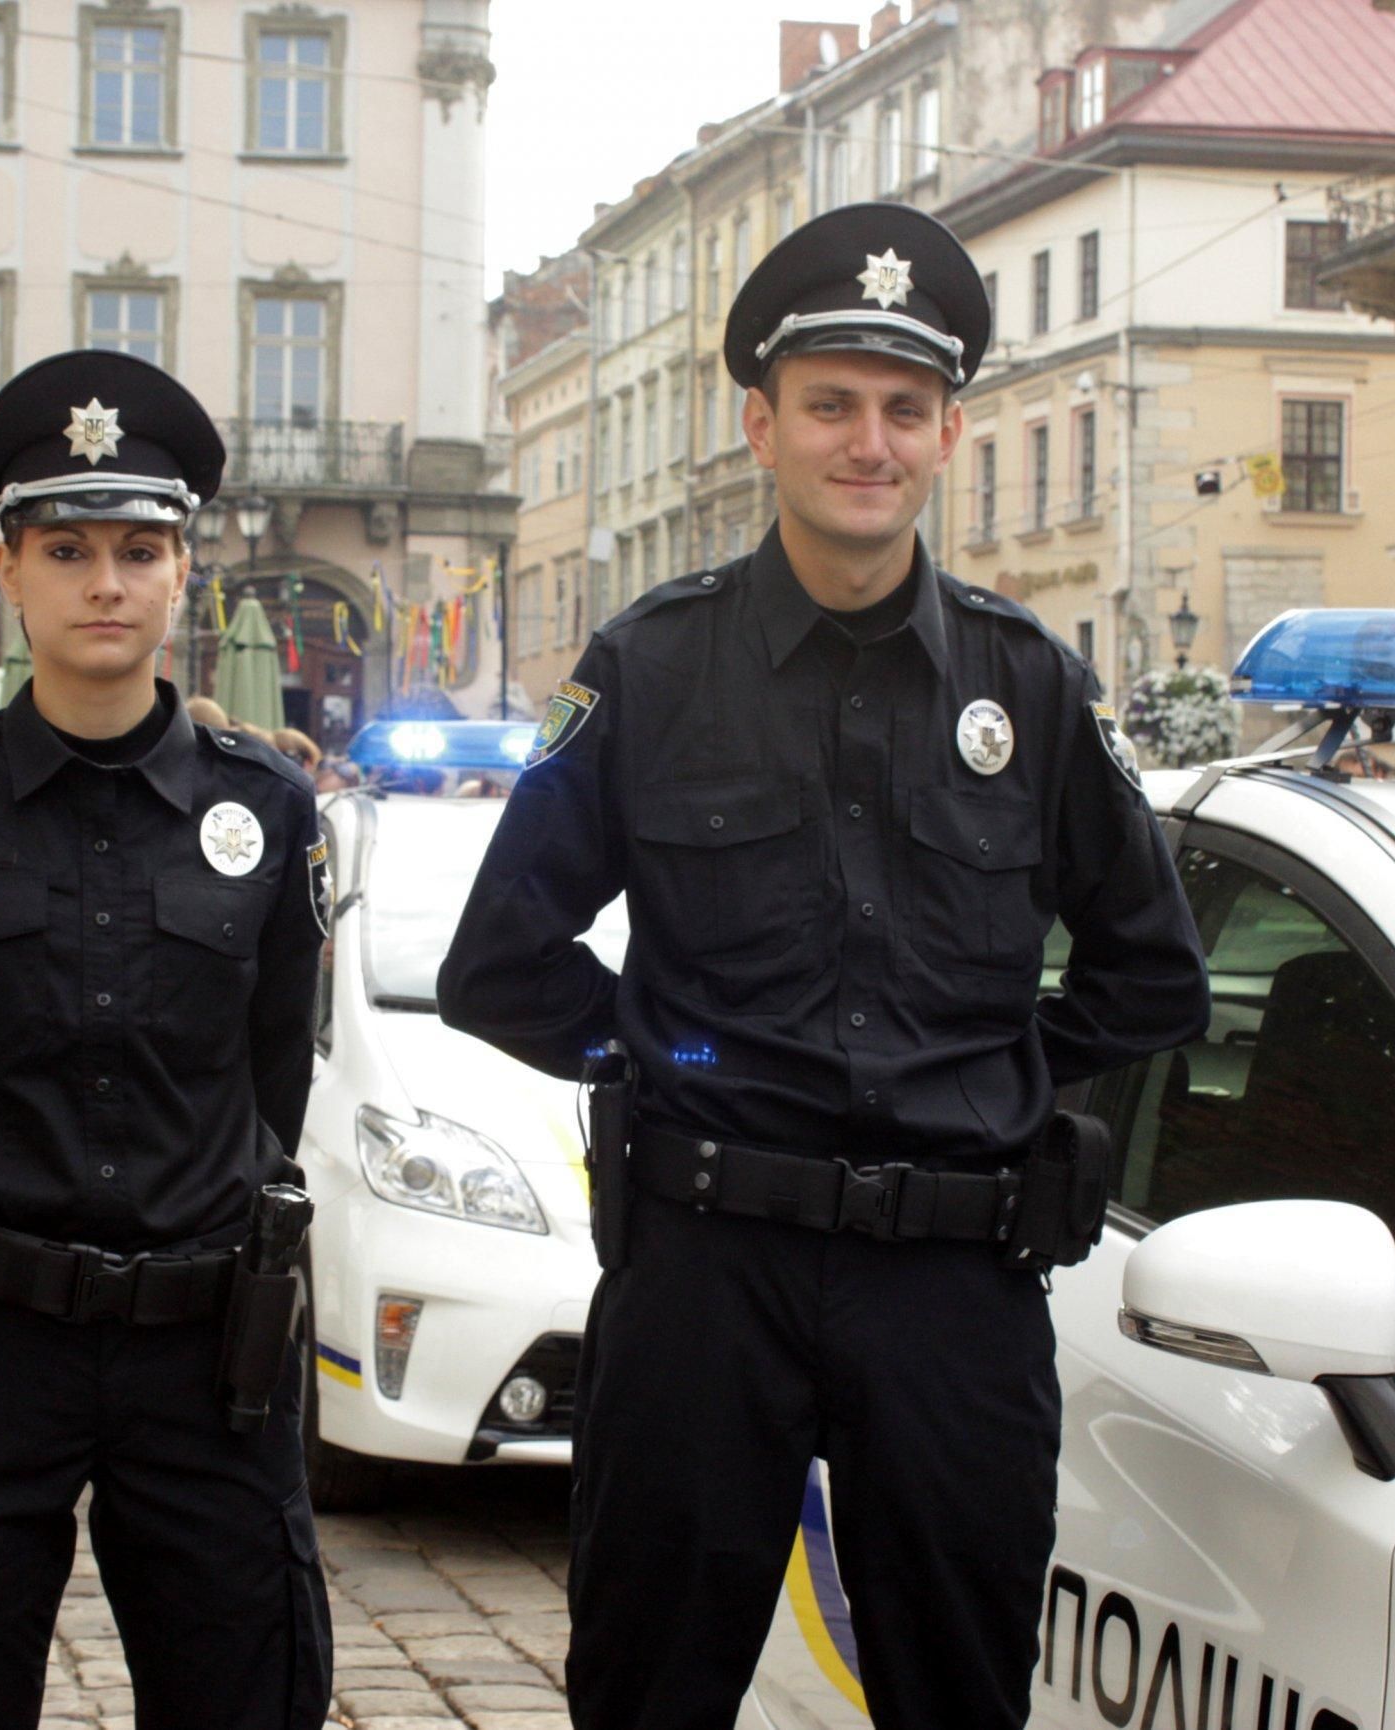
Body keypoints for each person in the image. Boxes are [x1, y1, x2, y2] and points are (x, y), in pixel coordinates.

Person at [436, 203, 1212, 1730]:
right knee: (651, 1686)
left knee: (961, 1688)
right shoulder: (655, 667)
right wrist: (663, 1056)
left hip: (953, 1283)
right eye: (833, 404)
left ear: (948, 434)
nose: (870, 440)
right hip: (708, 1266)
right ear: (763, 426)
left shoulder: (1028, 683)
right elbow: (501, 961)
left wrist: (992, 1087)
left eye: (903, 410)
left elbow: (1154, 973)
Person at [0, 350, 332, 1730]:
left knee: (245, 1682)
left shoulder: (267, 811)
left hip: (204, 1346)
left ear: (184, 571)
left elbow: (275, 1071)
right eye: (67, 548)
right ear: (10, 570)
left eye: (138, 547)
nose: (105, 581)